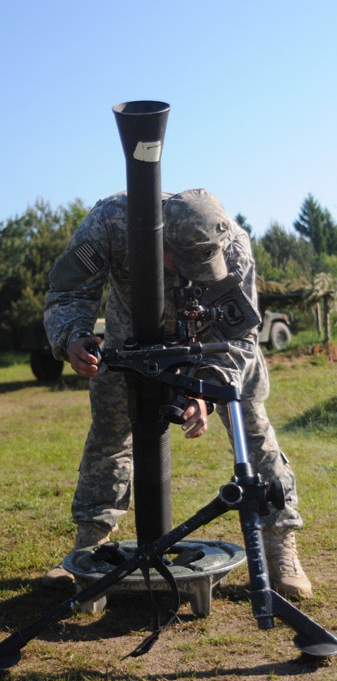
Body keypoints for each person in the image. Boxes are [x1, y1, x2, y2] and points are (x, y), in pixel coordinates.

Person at [42, 188, 312, 599]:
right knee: (110, 435)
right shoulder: (110, 222)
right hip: (130, 337)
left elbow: (240, 333)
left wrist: (205, 391)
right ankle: (89, 551)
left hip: (212, 343)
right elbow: (68, 291)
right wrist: (73, 337)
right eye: (182, 261)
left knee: (252, 427)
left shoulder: (233, 244)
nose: (192, 273)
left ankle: (281, 543)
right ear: (158, 238)